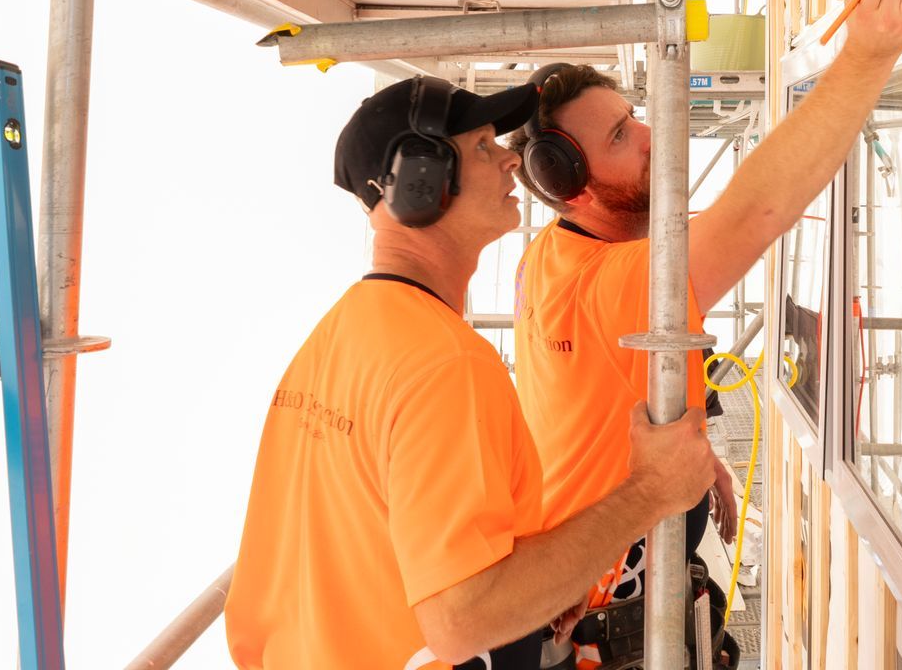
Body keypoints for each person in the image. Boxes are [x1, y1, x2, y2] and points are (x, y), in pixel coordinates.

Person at [506, 0, 902, 640]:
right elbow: (759, 210)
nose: (652, 138)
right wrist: (867, 54)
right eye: (621, 136)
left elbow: (612, 387)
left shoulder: (552, 258)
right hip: (608, 615)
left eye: (633, 117)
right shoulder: (605, 285)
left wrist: (704, 460)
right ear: (572, 186)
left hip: (620, 592)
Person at [224, 76, 716, 670]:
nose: (512, 160)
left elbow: (385, 538)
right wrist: (649, 491)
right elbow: (462, 622)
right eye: (483, 146)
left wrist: (538, 585)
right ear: (419, 184)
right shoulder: (442, 363)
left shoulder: (340, 336)